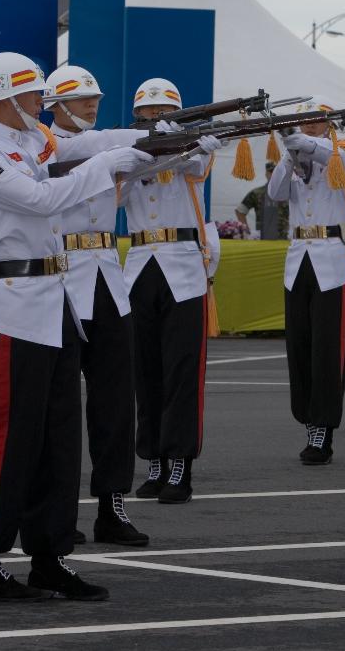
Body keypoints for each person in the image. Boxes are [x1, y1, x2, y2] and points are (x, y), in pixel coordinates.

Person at [0, 52, 154, 601]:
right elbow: (42, 199)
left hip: (54, 300)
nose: (44, 104)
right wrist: (109, 164)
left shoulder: (27, 141)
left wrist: (156, 137)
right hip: (15, 303)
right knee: (13, 438)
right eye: (36, 95)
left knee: (60, 439)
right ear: (7, 96)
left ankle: (49, 554)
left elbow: (84, 144)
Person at [44, 66, 148, 547]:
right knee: (59, 406)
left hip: (107, 275)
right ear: (56, 105)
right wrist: (139, 137)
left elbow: (149, 161)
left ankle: (112, 505)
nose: (92, 105)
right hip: (61, 279)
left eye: (96, 98)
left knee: (114, 400)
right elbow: (83, 151)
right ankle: (56, 510)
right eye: (83, 99)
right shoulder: (40, 144)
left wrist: (189, 142)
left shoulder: (105, 145)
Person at [123, 79, 225, 504]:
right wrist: (146, 141)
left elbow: (195, 166)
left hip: (183, 264)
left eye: (165, 111)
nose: (156, 118)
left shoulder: (195, 147)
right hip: (140, 264)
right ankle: (153, 460)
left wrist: (182, 138)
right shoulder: (126, 148)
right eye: (148, 113)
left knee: (183, 372)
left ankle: (180, 463)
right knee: (145, 372)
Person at [270, 102, 345, 465]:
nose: (306, 127)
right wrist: (290, 153)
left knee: (328, 350)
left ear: (327, 124)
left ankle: (323, 428)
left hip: (332, 259)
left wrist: (304, 144)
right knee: (300, 346)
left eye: (312, 122)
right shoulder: (294, 156)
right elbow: (275, 192)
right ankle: (307, 418)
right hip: (298, 258)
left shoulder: (344, 149)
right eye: (300, 124)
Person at [236, 163, 289, 239]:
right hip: (262, 240)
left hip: (284, 239)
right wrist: (247, 231)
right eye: (271, 172)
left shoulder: (288, 194)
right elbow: (240, 211)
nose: (273, 175)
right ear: (266, 174)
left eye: (276, 172)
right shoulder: (257, 193)